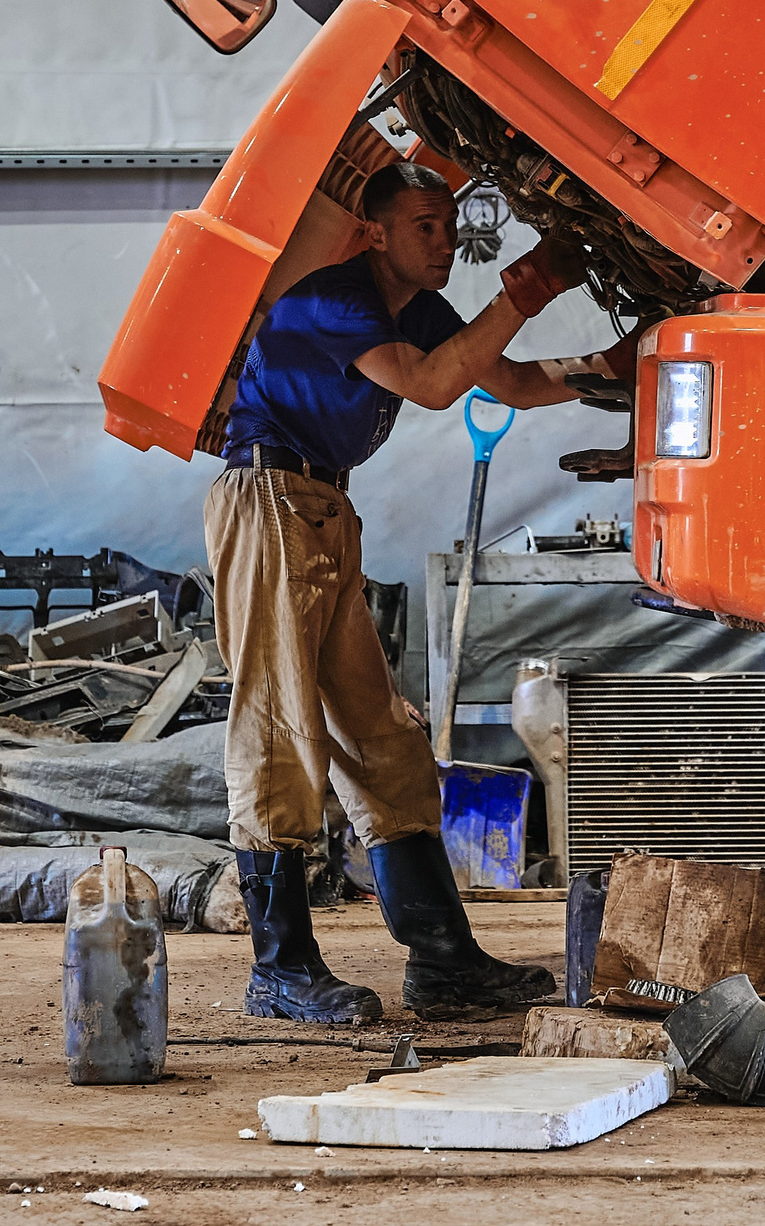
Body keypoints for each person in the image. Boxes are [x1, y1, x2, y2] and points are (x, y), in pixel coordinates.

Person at [207, 160, 628, 1025]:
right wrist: (525, 291)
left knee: (385, 741)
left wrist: (617, 368)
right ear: (376, 232)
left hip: (322, 505)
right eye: (424, 227)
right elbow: (435, 385)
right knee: (281, 736)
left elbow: (505, 382)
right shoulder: (337, 297)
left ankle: (442, 959)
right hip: (268, 501)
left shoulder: (420, 311)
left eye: (449, 225)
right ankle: (280, 967)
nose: (445, 242)